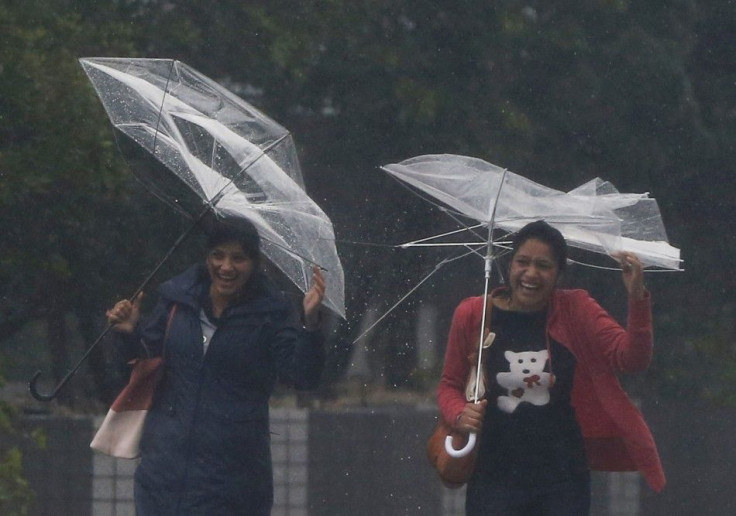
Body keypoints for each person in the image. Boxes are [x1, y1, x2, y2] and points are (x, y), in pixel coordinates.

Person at [436, 220, 665, 515]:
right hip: (493, 473)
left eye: (543, 265)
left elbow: (632, 359)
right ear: (509, 265)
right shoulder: (474, 314)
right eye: (523, 262)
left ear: (559, 273)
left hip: (562, 477)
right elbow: (448, 384)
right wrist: (460, 414)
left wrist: (636, 297)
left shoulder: (576, 309)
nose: (531, 274)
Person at [105, 217, 327, 515]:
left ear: (254, 262)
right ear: (207, 256)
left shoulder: (271, 312)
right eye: (218, 255)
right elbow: (144, 360)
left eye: (238, 258)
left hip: (232, 482)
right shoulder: (176, 300)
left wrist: (310, 324)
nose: (226, 267)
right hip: (163, 474)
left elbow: (302, 376)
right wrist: (129, 332)